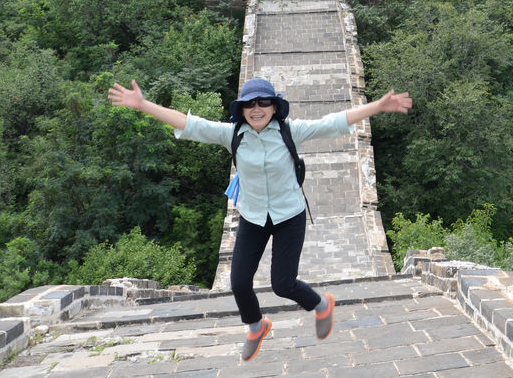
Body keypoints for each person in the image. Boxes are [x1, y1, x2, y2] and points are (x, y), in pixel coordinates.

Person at [106, 76, 412, 362]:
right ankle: (256, 326)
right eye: (249, 104)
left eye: (263, 102)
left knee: (283, 283)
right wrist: (143, 105)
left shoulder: (291, 131)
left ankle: (321, 305)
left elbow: (333, 123)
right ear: (241, 110)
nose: (256, 109)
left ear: (275, 107)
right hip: (253, 216)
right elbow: (190, 124)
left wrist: (379, 106)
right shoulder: (233, 135)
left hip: (289, 215)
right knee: (239, 283)